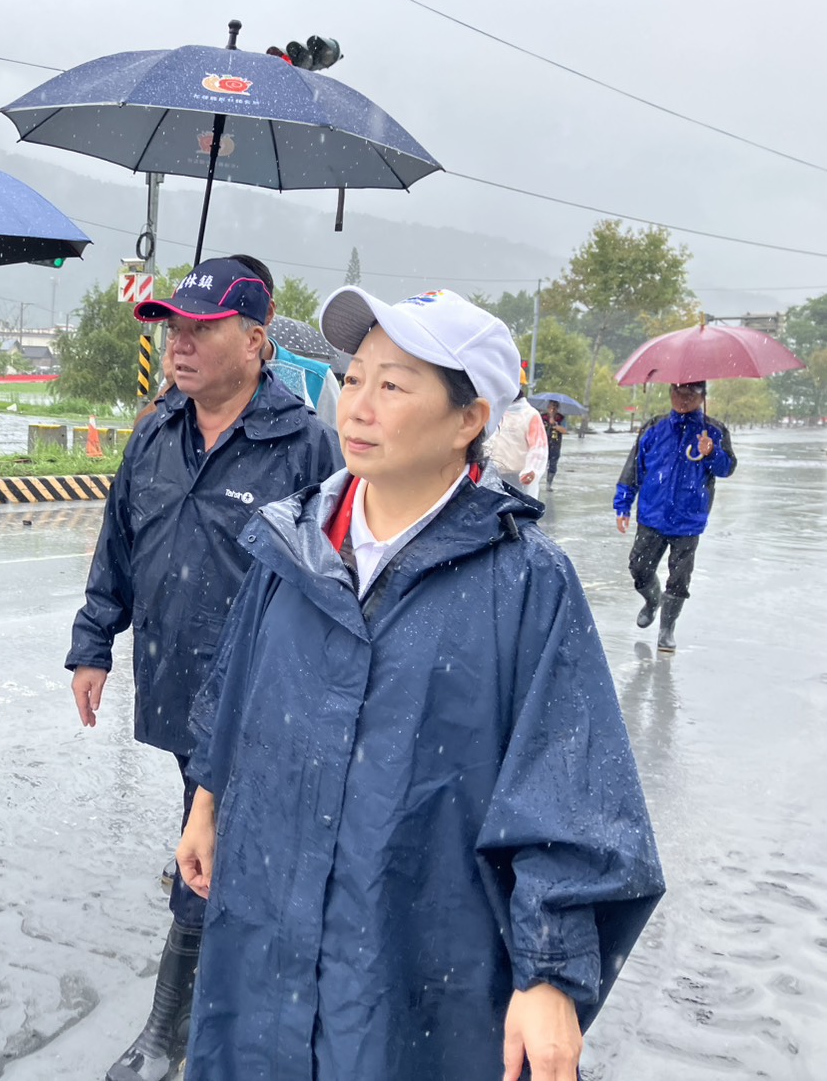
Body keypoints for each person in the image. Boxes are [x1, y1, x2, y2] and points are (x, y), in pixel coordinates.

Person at [176, 286, 664, 1081]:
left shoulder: (524, 584)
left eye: (394, 385)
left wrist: (547, 975)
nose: (358, 406)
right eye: (355, 379)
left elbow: (570, 791)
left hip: (412, 946)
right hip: (266, 912)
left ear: (469, 418)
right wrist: (206, 804)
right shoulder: (290, 545)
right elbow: (235, 695)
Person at [65, 256, 341, 1081]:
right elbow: (118, 542)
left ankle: (173, 1026)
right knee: (212, 838)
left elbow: (337, 584)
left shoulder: (305, 446)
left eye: (200, 329)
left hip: (263, 697)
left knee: (213, 844)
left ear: (255, 340)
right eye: (172, 329)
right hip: (175, 681)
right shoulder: (156, 431)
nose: (178, 344)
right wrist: (93, 641)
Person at [614, 381, 736, 652]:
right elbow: (634, 468)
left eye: (691, 393)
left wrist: (712, 452)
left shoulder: (714, 431)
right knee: (639, 568)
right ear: (670, 393)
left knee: (679, 579)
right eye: (678, 392)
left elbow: (727, 468)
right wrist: (623, 504)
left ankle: (667, 629)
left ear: (702, 396)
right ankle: (652, 600)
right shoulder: (653, 427)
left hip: (688, 519)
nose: (684, 398)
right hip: (652, 515)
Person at [491, 380, 546, 498]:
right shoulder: (496, 411)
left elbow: (538, 448)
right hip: (493, 473)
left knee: (514, 507)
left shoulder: (530, 415)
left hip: (516, 477)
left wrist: (532, 470)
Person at [541, 399, 567, 489]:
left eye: (554, 408)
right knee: (539, 464)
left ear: (557, 409)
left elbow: (565, 431)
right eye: (550, 407)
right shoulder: (542, 417)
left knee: (553, 465)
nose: (552, 410)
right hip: (542, 445)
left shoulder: (561, 418)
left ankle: (549, 483)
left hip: (555, 445)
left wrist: (555, 425)